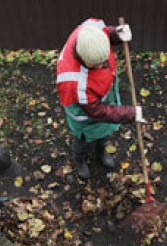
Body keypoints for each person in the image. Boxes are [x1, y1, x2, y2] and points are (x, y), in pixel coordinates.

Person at [56, 18, 146, 179]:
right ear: (83, 57)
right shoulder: (75, 83)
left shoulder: (92, 31)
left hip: (102, 97)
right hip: (86, 120)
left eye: (103, 61)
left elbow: (106, 32)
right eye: (95, 64)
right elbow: (98, 111)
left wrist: (117, 34)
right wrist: (130, 114)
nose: (101, 66)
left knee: (103, 135)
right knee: (83, 143)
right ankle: (80, 160)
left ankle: (100, 152)